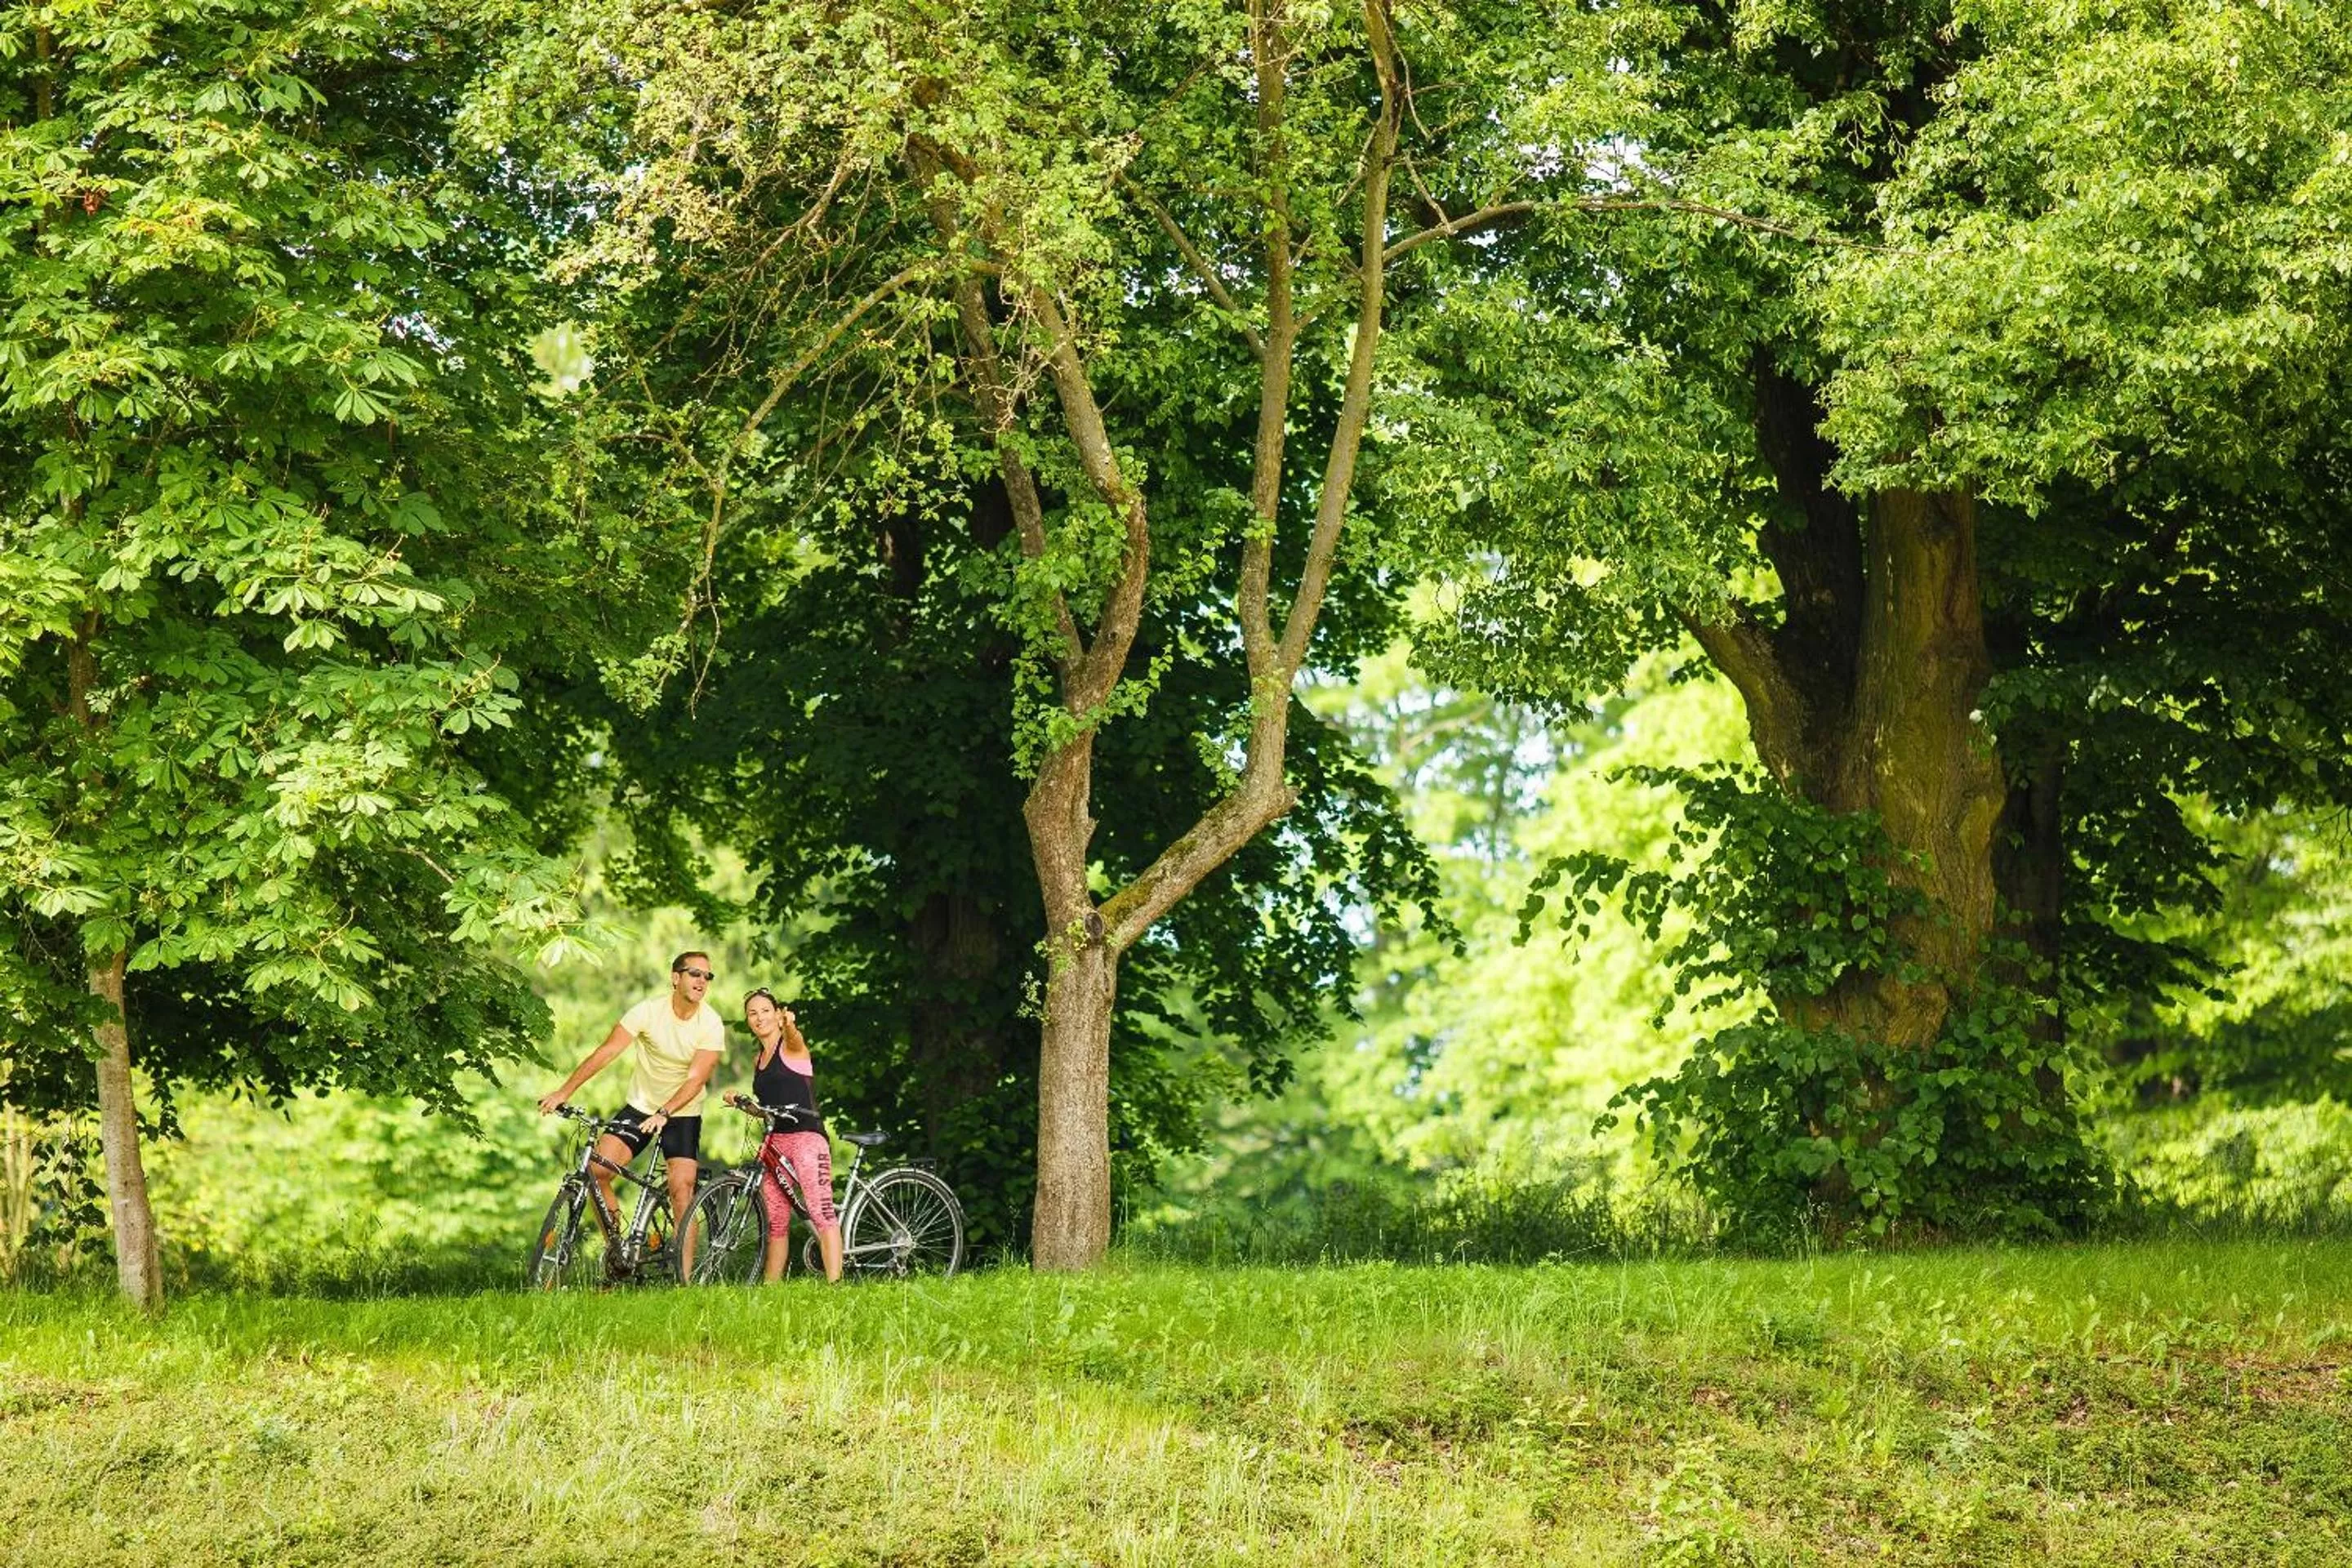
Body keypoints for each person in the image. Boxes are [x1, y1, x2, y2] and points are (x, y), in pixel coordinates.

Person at [538, 951, 727, 1267]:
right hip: (641, 1106)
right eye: (694, 973)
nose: (702, 981)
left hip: (682, 1112)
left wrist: (665, 1113)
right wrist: (564, 1091)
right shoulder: (648, 1011)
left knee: (681, 1189)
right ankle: (619, 1254)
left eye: (707, 976)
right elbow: (607, 1051)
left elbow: (696, 1079)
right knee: (597, 1171)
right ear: (675, 977)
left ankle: (685, 1281)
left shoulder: (710, 1023)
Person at [729, 987, 842, 1283]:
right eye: (752, 1013)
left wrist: (790, 1025)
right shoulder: (758, 1060)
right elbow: (768, 1110)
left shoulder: (791, 1047)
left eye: (766, 1011)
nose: (759, 1018)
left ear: (778, 1015)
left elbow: (795, 1038)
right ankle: (771, 1289)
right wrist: (741, 1102)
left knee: (820, 1210)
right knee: (775, 1221)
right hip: (775, 1143)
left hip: (806, 1139)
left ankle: (836, 1285)